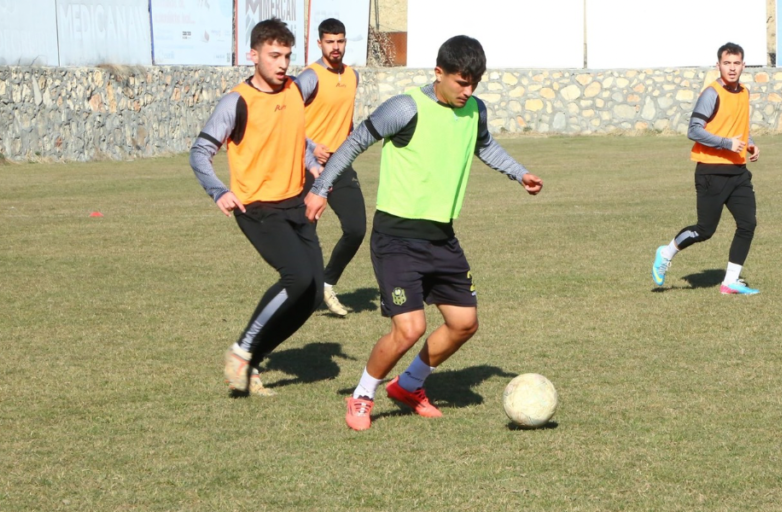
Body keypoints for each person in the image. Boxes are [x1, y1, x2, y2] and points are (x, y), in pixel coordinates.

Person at [305, 35, 544, 431]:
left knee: (465, 323)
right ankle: (363, 395)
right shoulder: (405, 107)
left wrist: (519, 173)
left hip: (442, 237)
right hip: (396, 238)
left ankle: (410, 385)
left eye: (474, 84)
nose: (468, 92)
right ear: (439, 73)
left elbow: (484, 145)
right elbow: (354, 143)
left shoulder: (474, 110)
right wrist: (319, 188)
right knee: (410, 329)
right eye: (461, 83)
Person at [189, 18, 325, 397]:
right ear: (253, 55)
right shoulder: (236, 101)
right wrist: (218, 191)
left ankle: (251, 363)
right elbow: (200, 153)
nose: (282, 64)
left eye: (287, 56)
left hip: (297, 203)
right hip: (257, 208)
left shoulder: (297, 89)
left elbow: (292, 134)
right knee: (297, 277)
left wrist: (311, 159)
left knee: (312, 295)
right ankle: (242, 349)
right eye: (274, 55)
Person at [651, 42, 761, 295]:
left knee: (747, 224)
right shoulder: (711, 93)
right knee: (705, 230)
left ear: (743, 65)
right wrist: (726, 143)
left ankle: (730, 282)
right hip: (711, 172)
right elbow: (694, 130)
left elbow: (738, 126)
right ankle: (666, 253)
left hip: (738, 173)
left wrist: (750, 145)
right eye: (727, 63)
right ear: (718, 65)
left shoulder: (743, 92)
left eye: (736, 63)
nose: (732, 68)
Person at [296, 18, 366, 317]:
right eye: (330, 42)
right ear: (320, 43)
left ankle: (326, 283)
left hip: (340, 163)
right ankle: (300, 293)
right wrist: (311, 147)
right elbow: (285, 117)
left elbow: (346, 120)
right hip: (308, 166)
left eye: (340, 41)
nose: (335, 47)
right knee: (305, 231)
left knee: (356, 228)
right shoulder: (310, 77)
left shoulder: (352, 76)